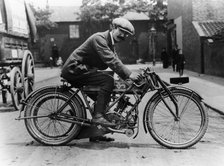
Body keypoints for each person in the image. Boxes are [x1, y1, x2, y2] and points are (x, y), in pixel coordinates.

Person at [61, 17, 141, 142]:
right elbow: (111, 60)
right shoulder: (99, 38)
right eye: (122, 31)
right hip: (74, 70)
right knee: (107, 81)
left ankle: (95, 133)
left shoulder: (109, 43)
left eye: (127, 34)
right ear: (113, 28)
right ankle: (98, 117)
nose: (124, 35)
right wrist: (129, 74)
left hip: (82, 70)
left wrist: (125, 78)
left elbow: (116, 60)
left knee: (105, 95)